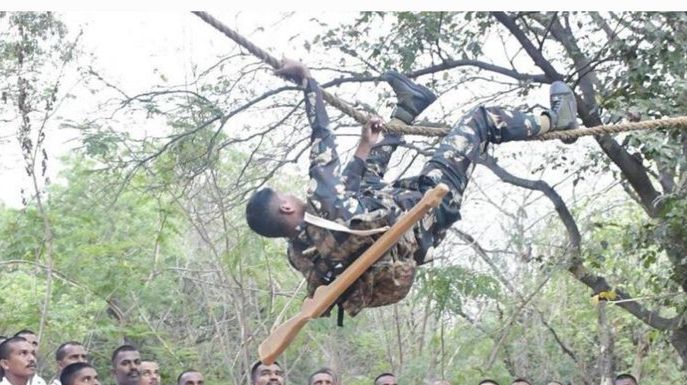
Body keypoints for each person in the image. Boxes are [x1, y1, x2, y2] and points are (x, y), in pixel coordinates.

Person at [246, 60, 576, 316]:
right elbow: (321, 136)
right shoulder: (322, 200)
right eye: (285, 196)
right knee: (480, 121)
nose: (292, 195)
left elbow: (345, 194)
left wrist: (364, 146)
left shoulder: (302, 255)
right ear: (286, 208)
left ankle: (407, 108)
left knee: (362, 188)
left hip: (405, 235)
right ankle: (554, 120)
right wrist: (307, 81)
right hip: (428, 207)